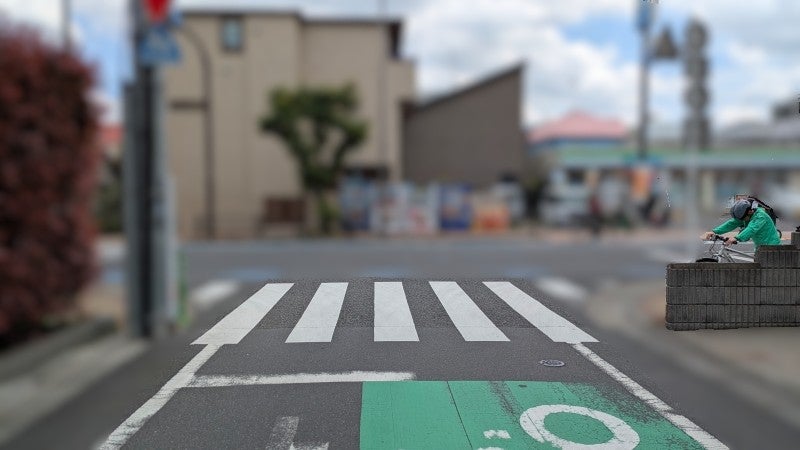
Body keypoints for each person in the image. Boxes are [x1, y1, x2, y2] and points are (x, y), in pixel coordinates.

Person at [701, 198, 781, 249]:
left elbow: (752, 229)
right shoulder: (747, 215)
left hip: (772, 247)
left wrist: (737, 238)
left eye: (742, 219)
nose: (742, 220)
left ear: (750, 211)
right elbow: (731, 223)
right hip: (760, 247)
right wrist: (715, 231)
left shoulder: (760, 216)